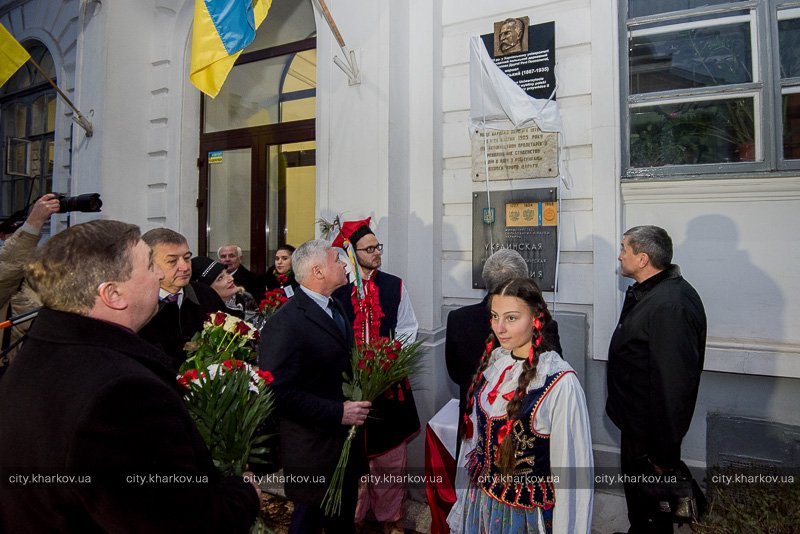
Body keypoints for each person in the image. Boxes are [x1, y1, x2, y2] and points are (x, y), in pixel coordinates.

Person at [0, 220, 259, 532]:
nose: (161, 275)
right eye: (150, 266)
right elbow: (178, 521)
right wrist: (243, 496)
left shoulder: (42, 352)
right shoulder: (123, 392)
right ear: (113, 293)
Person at [448, 277, 593, 533]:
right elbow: (474, 444)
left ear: (536, 318)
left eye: (511, 318)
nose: (499, 327)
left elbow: (572, 475)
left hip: (523, 515)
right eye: (494, 316)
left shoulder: (558, 382)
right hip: (480, 503)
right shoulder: (495, 363)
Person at [259, 239, 371, 534]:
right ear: (318, 271)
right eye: (338, 260)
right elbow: (277, 393)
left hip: (343, 446)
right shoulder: (286, 323)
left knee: (340, 522)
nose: (346, 264)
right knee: (308, 522)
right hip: (313, 451)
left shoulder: (334, 305)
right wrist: (338, 413)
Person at [606, 225, 707, 534]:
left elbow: (673, 386)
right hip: (639, 428)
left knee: (653, 510)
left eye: (625, 249)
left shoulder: (669, 305)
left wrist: (663, 454)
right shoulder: (651, 291)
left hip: (650, 439)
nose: (620, 255)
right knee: (642, 507)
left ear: (643, 259)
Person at [331, 218, 419, 534]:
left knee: (391, 457)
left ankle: (390, 516)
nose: (376, 253)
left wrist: (391, 357)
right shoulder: (337, 291)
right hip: (349, 387)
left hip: (387, 383)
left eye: (378, 247)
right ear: (352, 255)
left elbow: (408, 327)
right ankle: (353, 516)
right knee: (353, 458)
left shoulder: (394, 284)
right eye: (369, 249)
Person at [446, 248, 562, 456]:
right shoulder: (541, 324)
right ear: (522, 283)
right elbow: (551, 383)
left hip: (479, 429)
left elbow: (455, 373)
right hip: (521, 434)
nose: (501, 328)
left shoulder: (458, 319)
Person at [138, 229, 225, 372]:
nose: (184, 267)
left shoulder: (205, 294)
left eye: (187, 258)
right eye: (172, 261)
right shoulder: (137, 305)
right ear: (149, 264)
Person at [0, 193, 60, 368]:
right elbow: (9, 264)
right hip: (10, 369)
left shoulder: (38, 269)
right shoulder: (10, 270)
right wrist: (33, 223)